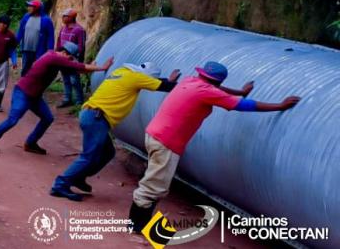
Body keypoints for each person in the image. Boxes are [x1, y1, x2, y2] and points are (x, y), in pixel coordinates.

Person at [128, 61, 301, 232]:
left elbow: (217, 91)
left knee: (156, 180)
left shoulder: (191, 81)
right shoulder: (207, 92)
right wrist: (279, 106)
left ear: (202, 74)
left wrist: (240, 91)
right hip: (166, 141)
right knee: (155, 185)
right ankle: (137, 224)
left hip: (155, 133)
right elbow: (243, 105)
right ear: (219, 81)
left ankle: (140, 221)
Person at [49, 62, 181, 201]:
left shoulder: (123, 72)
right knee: (88, 156)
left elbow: (154, 82)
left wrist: (165, 80)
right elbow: (166, 87)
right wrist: (174, 82)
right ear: (146, 76)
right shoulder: (136, 78)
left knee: (107, 152)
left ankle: (78, 177)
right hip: (97, 119)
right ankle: (60, 184)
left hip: (91, 115)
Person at [0, 43, 113, 156]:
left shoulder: (57, 59)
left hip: (34, 96)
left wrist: (91, 68)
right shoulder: (53, 57)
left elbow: (76, 69)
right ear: (64, 52)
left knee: (47, 118)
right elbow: (78, 67)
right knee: (13, 119)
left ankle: (31, 143)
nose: (70, 60)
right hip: (23, 92)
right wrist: (102, 67)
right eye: (70, 57)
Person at [56, 9, 87, 108]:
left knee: (74, 80)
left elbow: (81, 46)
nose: (63, 18)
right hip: (62, 57)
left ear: (71, 17)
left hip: (73, 59)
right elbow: (59, 42)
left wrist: (77, 59)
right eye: (63, 16)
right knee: (65, 79)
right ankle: (67, 98)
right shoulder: (62, 29)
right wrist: (57, 53)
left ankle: (79, 100)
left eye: (65, 16)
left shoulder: (79, 30)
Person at [16, 0, 55, 76]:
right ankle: (23, 85)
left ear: (37, 8)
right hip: (26, 49)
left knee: (37, 70)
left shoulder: (46, 20)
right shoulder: (26, 17)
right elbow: (20, 32)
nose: (28, 8)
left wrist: (50, 50)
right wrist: (13, 43)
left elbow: (51, 37)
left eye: (31, 6)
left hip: (40, 51)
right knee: (25, 70)